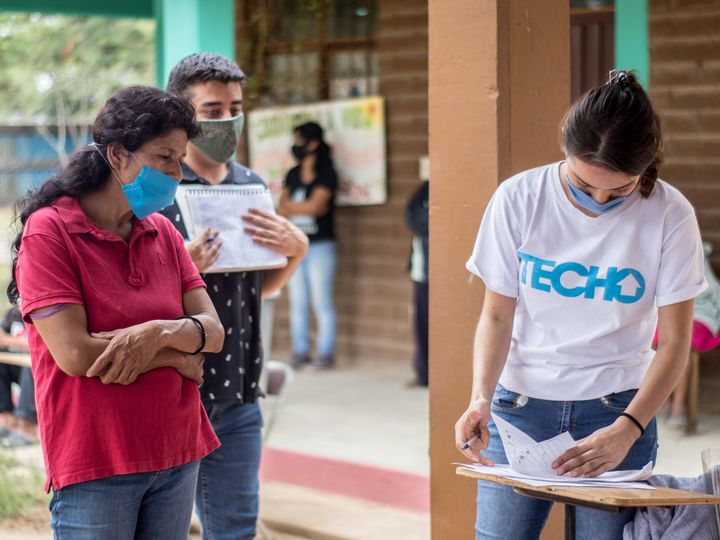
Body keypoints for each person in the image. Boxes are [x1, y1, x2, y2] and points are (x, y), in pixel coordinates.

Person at [454, 71, 707, 540]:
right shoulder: (519, 198)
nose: (598, 200)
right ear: (565, 151)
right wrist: (479, 399)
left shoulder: (671, 214)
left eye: (619, 190)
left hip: (618, 411)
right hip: (519, 410)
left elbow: (674, 342)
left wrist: (629, 429)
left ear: (647, 167)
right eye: (583, 184)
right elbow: (496, 314)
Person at [9, 85, 225, 539]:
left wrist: (153, 333)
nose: (177, 172)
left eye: (180, 158)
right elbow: (77, 356)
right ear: (118, 155)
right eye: (165, 157)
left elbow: (213, 332)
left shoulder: (162, 231)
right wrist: (175, 356)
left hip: (177, 450)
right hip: (97, 458)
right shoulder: (49, 232)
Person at [163, 53, 308, 540]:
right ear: (182, 114)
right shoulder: (157, 189)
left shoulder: (250, 184)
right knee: (163, 526)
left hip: (242, 387)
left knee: (236, 528)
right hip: (178, 388)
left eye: (234, 108)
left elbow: (258, 288)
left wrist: (295, 252)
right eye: (212, 110)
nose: (227, 120)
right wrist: (181, 267)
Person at [278, 121, 339, 369]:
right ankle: (300, 351)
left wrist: (294, 207)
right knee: (298, 301)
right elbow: (281, 206)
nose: (296, 145)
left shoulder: (327, 172)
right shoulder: (292, 173)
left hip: (321, 246)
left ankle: (325, 353)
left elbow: (317, 206)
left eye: (300, 140)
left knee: (321, 301)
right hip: (295, 246)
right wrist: (300, 207)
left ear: (313, 143)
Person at [0, 306, 37, 446]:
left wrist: (8, 341)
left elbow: (38, 345)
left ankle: (26, 424)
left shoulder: (39, 311)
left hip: (37, 369)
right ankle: (8, 421)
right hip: (18, 368)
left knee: (32, 362)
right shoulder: (14, 313)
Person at [405, 180, 429, 387]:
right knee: (421, 324)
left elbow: (436, 223)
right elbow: (411, 217)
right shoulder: (425, 188)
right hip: (421, 271)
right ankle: (423, 374)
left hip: (438, 273)